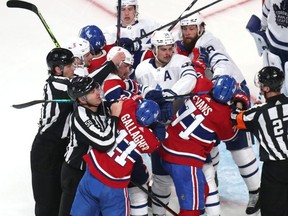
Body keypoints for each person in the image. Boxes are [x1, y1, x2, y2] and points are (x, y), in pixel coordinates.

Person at [175, 11, 261, 215]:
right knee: (206, 143)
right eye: (185, 29)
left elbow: (222, 63)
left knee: (239, 145)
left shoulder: (209, 41)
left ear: (201, 28)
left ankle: (256, 191)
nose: (188, 33)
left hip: (230, 94)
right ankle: (211, 184)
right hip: (205, 99)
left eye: (192, 28)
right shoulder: (179, 46)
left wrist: (218, 87)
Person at [68, 76, 164, 216]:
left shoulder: (122, 109)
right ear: (81, 100)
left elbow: (125, 102)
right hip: (98, 178)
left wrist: (119, 114)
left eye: (96, 88)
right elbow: (105, 142)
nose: (97, 92)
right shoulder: (79, 117)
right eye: (91, 91)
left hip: (92, 173)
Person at [135, 30, 198, 216]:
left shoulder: (181, 61)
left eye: (171, 48)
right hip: (159, 130)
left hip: (184, 129)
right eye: (163, 49)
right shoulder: (142, 69)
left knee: (194, 175)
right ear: (154, 50)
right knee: (161, 178)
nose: (168, 53)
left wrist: (169, 96)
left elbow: (190, 78)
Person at [160, 75, 240, 216]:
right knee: (191, 211)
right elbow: (230, 137)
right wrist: (237, 109)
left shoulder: (202, 85)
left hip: (166, 147)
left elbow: (196, 73)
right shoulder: (224, 115)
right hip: (185, 161)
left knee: (202, 188)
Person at [231, 66, 288, 216]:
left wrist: (239, 102)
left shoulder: (256, 114)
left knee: (272, 211)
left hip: (275, 170)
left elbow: (235, 119)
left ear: (266, 88)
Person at [30, 48, 76, 216]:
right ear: (58, 69)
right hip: (45, 150)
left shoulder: (67, 81)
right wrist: (110, 64)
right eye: (70, 65)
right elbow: (83, 87)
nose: (74, 68)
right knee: (46, 202)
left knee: (59, 198)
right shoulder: (56, 84)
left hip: (61, 148)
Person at [103, 0, 161, 75]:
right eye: (123, 9)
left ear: (135, 10)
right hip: (124, 74)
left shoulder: (150, 25)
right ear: (118, 11)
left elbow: (163, 45)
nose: (126, 13)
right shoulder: (110, 32)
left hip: (150, 71)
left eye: (130, 9)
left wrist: (140, 46)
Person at [246, 0, 288, 97]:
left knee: (273, 67)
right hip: (274, 41)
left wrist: (263, 28)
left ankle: (270, 94)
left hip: (273, 40)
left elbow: (266, 10)